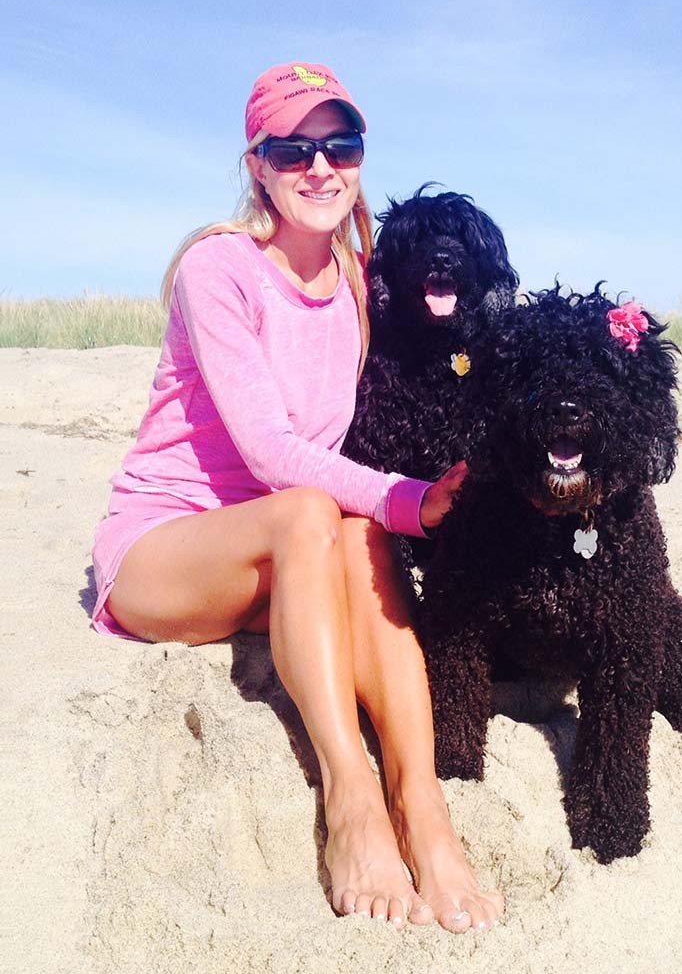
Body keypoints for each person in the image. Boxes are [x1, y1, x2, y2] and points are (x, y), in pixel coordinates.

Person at [91, 62, 504, 933]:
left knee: (358, 533)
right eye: (293, 149)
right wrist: (409, 497)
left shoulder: (360, 282)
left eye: (339, 145)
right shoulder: (220, 268)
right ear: (259, 166)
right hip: (167, 550)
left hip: (291, 554)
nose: (320, 167)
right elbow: (276, 455)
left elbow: (442, 364)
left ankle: (421, 806)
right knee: (327, 507)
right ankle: (351, 795)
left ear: (358, 158)